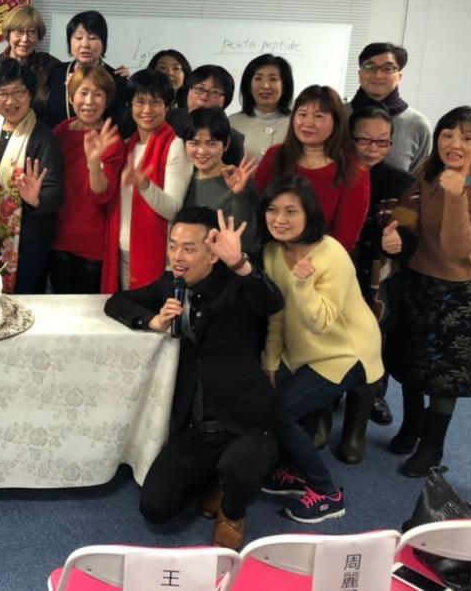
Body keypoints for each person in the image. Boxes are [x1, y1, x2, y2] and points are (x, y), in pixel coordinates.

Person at [105, 208, 283, 550]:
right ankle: (217, 480)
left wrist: (240, 263)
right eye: (173, 246)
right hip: (195, 427)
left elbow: (271, 302)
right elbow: (118, 302)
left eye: (189, 248)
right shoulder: (171, 285)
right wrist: (152, 321)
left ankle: (232, 512)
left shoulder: (237, 284)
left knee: (241, 468)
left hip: (245, 421)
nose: (177, 256)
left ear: (213, 253)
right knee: (155, 508)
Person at [381, 107, 471, 476]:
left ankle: (432, 447)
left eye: (467, 138)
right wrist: (397, 232)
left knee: (444, 375)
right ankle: (412, 425)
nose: (454, 144)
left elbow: (456, 248)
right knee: (409, 360)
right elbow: (407, 214)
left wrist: (456, 195)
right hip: (416, 280)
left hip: (456, 292)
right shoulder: (427, 173)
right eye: (447, 134)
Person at [258, 176, 383, 524]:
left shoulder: (332, 254)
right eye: (272, 210)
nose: (279, 219)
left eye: (291, 211)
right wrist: (271, 361)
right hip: (304, 350)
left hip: (346, 352)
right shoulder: (272, 251)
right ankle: (295, 471)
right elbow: (276, 312)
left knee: (279, 413)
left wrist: (303, 284)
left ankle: (327, 493)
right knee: (264, 403)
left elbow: (324, 322)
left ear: (309, 214)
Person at [0, 60, 63, 294]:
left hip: (25, 242)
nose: (10, 101)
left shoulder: (44, 138)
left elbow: (55, 192)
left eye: (18, 92)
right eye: (2, 93)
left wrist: (35, 199)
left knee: (21, 303)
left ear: (30, 94)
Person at [349, 106, 414, 430]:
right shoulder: (336, 174)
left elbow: (412, 232)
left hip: (380, 276)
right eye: (364, 140)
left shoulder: (402, 182)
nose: (373, 149)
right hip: (340, 269)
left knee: (377, 339)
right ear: (349, 139)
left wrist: (401, 240)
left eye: (382, 141)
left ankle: (372, 397)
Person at [103, 69, 192, 294]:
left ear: (167, 106)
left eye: (155, 102)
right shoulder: (127, 145)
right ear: (130, 105)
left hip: (157, 257)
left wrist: (144, 185)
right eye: (140, 102)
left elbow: (173, 210)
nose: (146, 110)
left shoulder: (175, 147)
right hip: (122, 252)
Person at [254, 85, 370, 252]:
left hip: (324, 259)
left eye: (318, 116)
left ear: (336, 122)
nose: (308, 123)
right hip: (272, 252)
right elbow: (258, 209)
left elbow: (346, 235)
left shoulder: (353, 169)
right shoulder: (276, 156)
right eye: (302, 114)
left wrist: (312, 259)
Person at [48, 63, 122, 293]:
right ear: (72, 98)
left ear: (107, 101)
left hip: (92, 245)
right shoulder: (60, 132)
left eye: (98, 94)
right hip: (58, 239)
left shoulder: (111, 139)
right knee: (59, 307)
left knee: (89, 311)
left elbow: (103, 195)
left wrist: (94, 164)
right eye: (83, 93)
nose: (89, 101)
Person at [181, 107, 261, 256]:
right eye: (194, 143)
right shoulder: (183, 179)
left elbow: (249, 243)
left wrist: (239, 194)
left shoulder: (239, 180)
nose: (202, 151)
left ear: (226, 144)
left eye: (211, 143)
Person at [346, 42, 432, 174]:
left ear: (399, 77)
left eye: (388, 68)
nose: (378, 75)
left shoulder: (417, 124)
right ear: (359, 74)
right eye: (370, 67)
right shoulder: (337, 114)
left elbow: (415, 178)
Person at [48, 11, 133, 134]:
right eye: (78, 38)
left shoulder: (116, 79)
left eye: (93, 38)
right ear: (69, 41)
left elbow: (120, 124)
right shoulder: (57, 73)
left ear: (103, 43)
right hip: (58, 142)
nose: (85, 44)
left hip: (101, 142)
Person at [167, 64, 246, 167]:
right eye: (199, 89)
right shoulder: (167, 120)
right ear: (188, 91)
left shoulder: (233, 139)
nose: (204, 97)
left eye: (214, 92)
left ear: (225, 101)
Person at [0, 5, 62, 126]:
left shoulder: (50, 65)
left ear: (38, 36)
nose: (25, 39)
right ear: (8, 34)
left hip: (44, 132)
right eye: (19, 32)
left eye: (31, 32)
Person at [230, 54, 293, 159]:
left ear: (285, 87)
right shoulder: (233, 123)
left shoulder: (297, 123)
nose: (265, 86)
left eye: (273, 79)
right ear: (249, 86)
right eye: (258, 78)